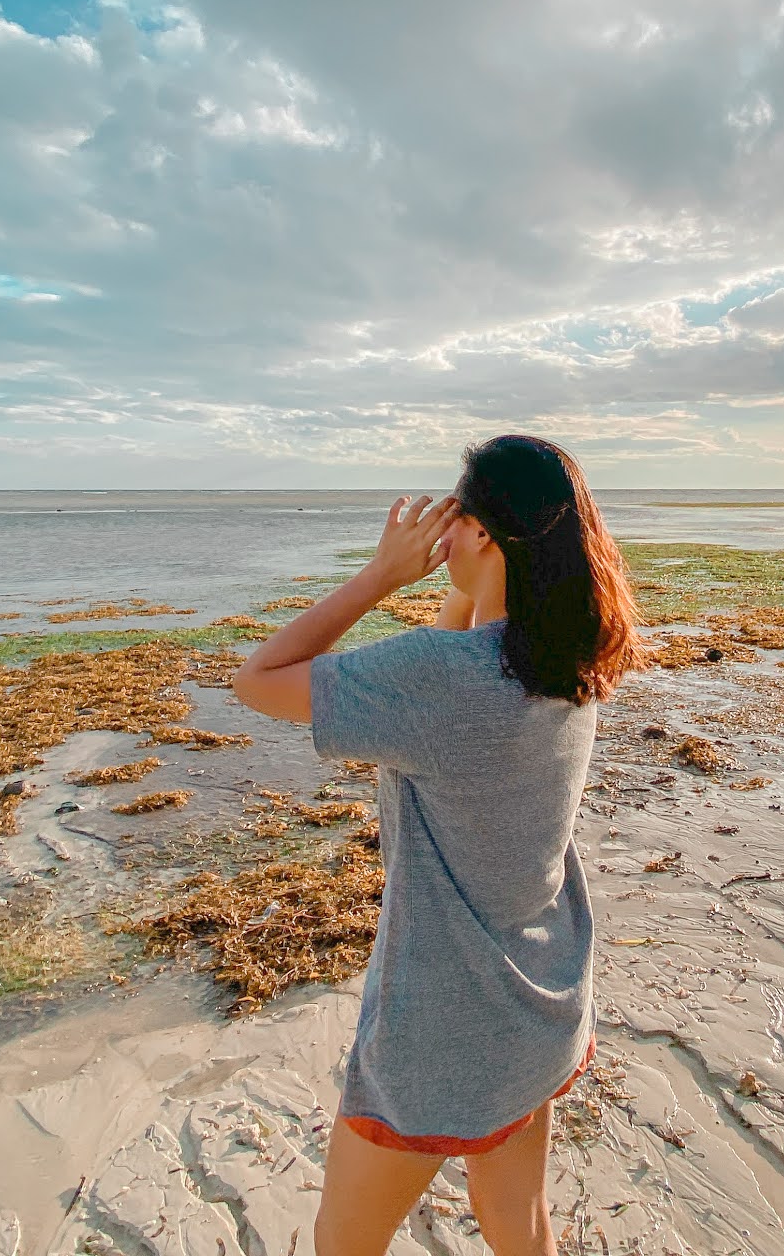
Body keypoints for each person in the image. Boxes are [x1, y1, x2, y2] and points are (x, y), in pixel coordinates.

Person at [233, 435, 639, 1256]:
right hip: (540, 1000)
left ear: (485, 532)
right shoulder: (567, 659)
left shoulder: (437, 678)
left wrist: (382, 575)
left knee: (342, 1244)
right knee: (520, 1226)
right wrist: (465, 571)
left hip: (440, 1029)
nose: (440, 536)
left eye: (455, 520)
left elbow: (256, 680)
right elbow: (467, 631)